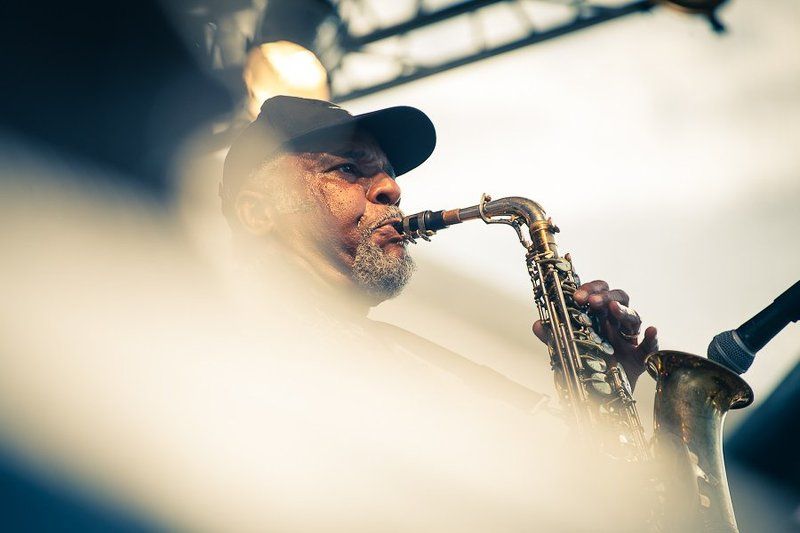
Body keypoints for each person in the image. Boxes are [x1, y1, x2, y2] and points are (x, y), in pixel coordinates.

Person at [220, 95, 659, 390]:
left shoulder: (428, 367)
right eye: (349, 170)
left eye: (388, 173)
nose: (392, 189)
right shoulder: (212, 337)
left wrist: (602, 379)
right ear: (258, 213)